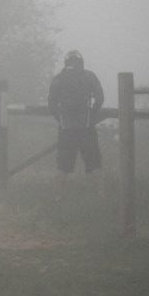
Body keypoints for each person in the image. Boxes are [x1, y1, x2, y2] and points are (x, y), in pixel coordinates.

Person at [47, 50, 105, 201]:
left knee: (62, 165)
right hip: (87, 126)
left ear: (66, 63)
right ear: (81, 62)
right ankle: (101, 195)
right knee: (95, 162)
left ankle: (58, 197)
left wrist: (59, 117)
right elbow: (100, 98)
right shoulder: (89, 76)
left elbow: (51, 103)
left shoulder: (58, 79)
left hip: (66, 127)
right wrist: (92, 115)